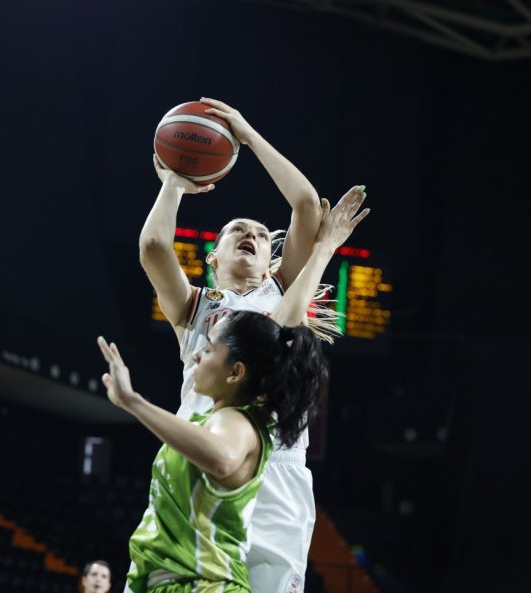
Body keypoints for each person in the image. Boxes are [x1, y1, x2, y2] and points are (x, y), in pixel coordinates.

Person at [138, 97, 369, 593]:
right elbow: (155, 249)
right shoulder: (196, 307)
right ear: (212, 255)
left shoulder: (283, 293)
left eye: (263, 235)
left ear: (271, 262)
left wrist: (245, 133)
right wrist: (173, 186)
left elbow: (306, 205)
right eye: (236, 230)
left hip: (277, 463)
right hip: (205, 451)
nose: (251, 234)